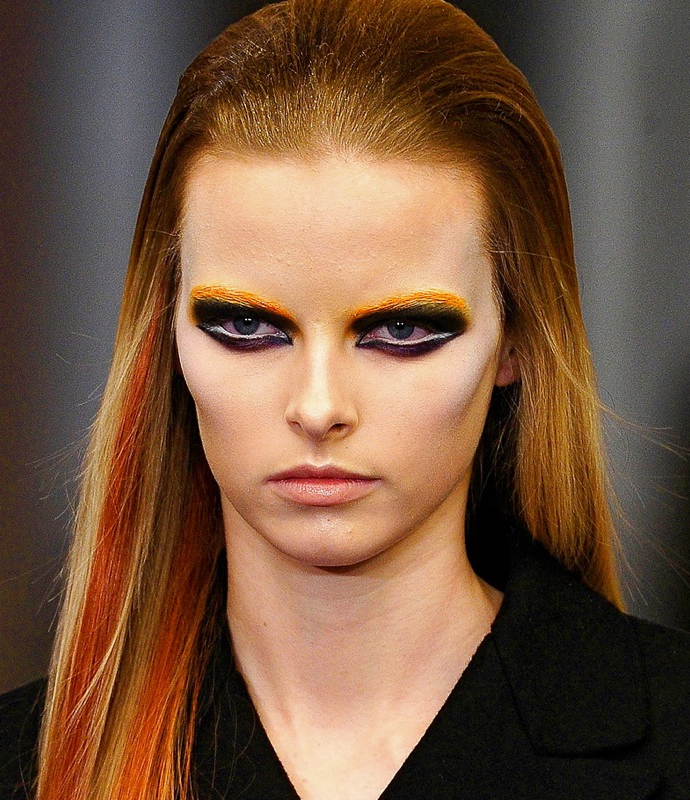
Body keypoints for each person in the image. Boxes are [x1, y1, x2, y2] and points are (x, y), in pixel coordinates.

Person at [1, 0, 689, 798]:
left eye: (400, 330)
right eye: (248, 325)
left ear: (519, 339)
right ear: (166, 335)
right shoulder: (26, 766)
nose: (319, 406)